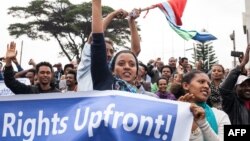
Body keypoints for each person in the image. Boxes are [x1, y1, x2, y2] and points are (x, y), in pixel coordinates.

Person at [77, 6, 141, 91]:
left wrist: (131, 21)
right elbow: (95, 36)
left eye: (111, 51)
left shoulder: (115, 84)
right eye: (104, 51)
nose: (109, 54)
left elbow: (134, 52)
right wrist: (112, 15)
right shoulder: (87, 63)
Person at [178, 70, 231, 140]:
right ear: (186, 86)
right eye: (201, 82)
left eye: (209, 84)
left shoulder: (220, 115)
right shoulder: (172, 114)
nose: (206, 86)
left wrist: (203, 123)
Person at [220, 45, 250, 124]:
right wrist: (242, 63)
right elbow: (224, 90)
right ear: (235, 87)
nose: (248, 88)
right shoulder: (231, 102)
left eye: (249, 85)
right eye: (243, 85)